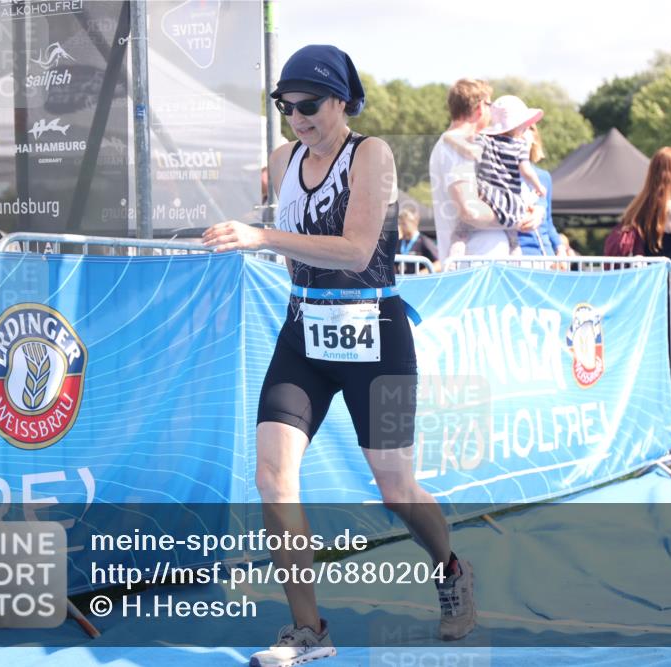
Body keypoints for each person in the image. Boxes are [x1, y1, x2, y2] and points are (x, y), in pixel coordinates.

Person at [202, 45, 475, 667]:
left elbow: (355, 252)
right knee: (272, 474)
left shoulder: (371, 153)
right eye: (285, 105)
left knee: (395, 486)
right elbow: (295, 245)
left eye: (310, 104)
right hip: (304, 332)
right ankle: (308, 630)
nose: (297, 116)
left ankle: (451, 568)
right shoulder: (283, 158)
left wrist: (261, 236)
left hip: (378, 335)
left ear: (343, 101)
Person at [428, 79, 537, 263]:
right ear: (480, 107)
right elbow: (470, 210)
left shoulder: (456, 144)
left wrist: (530, 213)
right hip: (477, 266)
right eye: (490, 104)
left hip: (480, 265)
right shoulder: (459, 147)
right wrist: (515, 218)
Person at [518, 125, 573, 260]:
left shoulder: (544, 177)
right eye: (520, 128)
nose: (524, 134)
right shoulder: (501, 173)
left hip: (545, 257)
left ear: (534, 138)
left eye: (529, 128)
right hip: (518, 258)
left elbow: (547, 221)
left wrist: (560, 248)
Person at [396, 208, 440, 273]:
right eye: (400, 223)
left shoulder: (424, 241)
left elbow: (439, 264)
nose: (401, 226)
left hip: (417, 281)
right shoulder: (399, 243)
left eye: (404, 224)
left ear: (415, 222)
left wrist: (421, 274)